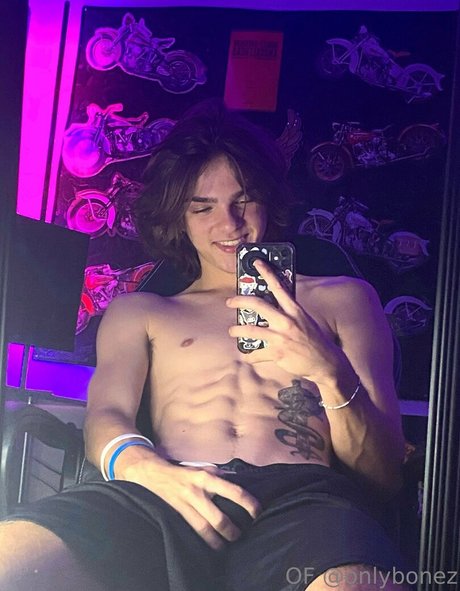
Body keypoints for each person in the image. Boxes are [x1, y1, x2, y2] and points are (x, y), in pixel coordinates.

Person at [0, 100, 410, 591]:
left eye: (244, 200)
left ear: (268, 199)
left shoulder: (344, 299)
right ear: (180, 216)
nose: (229, 224)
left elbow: (384, 475)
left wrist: (328, 370)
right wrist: (145, 467)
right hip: (163, 488)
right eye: (203, 207)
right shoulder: (142, 311)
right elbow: (106, 416)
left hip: (304, 501)